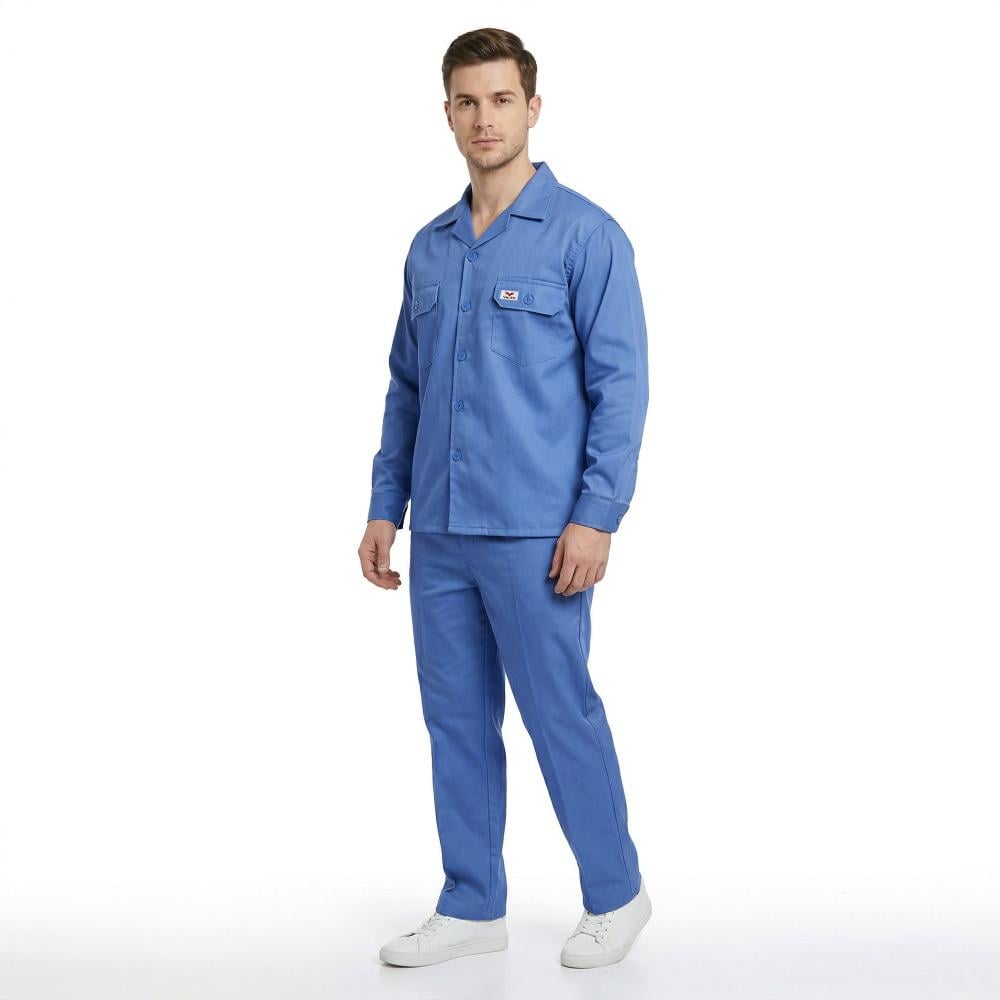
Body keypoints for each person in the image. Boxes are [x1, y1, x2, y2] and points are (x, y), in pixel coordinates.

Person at [359, 27, 652, 970]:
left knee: (560, 713)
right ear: (447, 114)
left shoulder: (585, 235)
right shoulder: (429, 249)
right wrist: (386, 505)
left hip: (539, 533)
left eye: (500, 100)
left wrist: (596, 517)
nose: (483, 118)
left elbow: (621, 388)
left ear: (532, 108)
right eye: (466, 101)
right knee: (454, 720)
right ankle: (472, 902)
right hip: (442, 529)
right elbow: (407, 388)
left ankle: (616, 894)